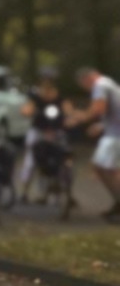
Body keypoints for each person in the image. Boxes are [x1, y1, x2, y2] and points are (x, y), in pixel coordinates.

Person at [68, 67, 120, 220]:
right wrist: (101, 125)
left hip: (116, 135)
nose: (86, 89)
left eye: (83, 85)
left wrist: (80, 118)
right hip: (113, 132)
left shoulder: (100, 85)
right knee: (104, 168)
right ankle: (118, 202)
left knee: (106, 168)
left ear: (86, 79)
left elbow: (98, 109)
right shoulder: (109, 83)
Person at [19, 67, 73, 205]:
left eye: (50, 80)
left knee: (64, 159)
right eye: (45, 79)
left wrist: (69, 117)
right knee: (31, 161)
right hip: (39, 131)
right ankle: (24, 192)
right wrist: (27, 111)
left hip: (57, 131)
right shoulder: (34, 95)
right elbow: (28, 108)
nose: (47, 82)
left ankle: (67, 192)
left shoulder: (61, 95)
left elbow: (68, 109)